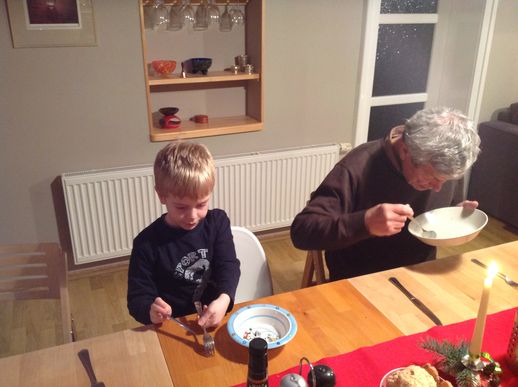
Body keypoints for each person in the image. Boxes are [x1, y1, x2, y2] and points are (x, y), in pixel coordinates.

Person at [290, 106, 481, 280]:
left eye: (445, 180)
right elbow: (302, 231)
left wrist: (453, 214)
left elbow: (440, 204)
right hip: (360, 278)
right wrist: (365, 222)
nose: (438, 187)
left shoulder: (444, 167)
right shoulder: (357, 167)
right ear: (405, 151)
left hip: (422, 271)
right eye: (432, 178)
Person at [127, 141, 240, 327]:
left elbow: (228, 265)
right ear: (161, 195)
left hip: (214, 316)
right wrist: (151, 310)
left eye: (201, 204)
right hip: (171, 325)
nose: (192, 216)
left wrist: (224, 299)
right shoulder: (146, 243)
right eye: (181, 207)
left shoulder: (217, 223)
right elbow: (137, 298)